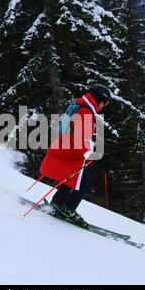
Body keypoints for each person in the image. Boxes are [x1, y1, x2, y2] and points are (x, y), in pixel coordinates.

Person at [39, 84, 111, 227]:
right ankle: (68, 209)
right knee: (84, 182)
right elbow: (79, 141)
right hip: (69, 152)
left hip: (62, 147)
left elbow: (63, 127)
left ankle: (57, 204)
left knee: (71, 177)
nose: (103, 106)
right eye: (104, 103)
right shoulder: (86, 112)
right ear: (99, 100)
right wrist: (89, 149)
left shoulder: (77, 104)